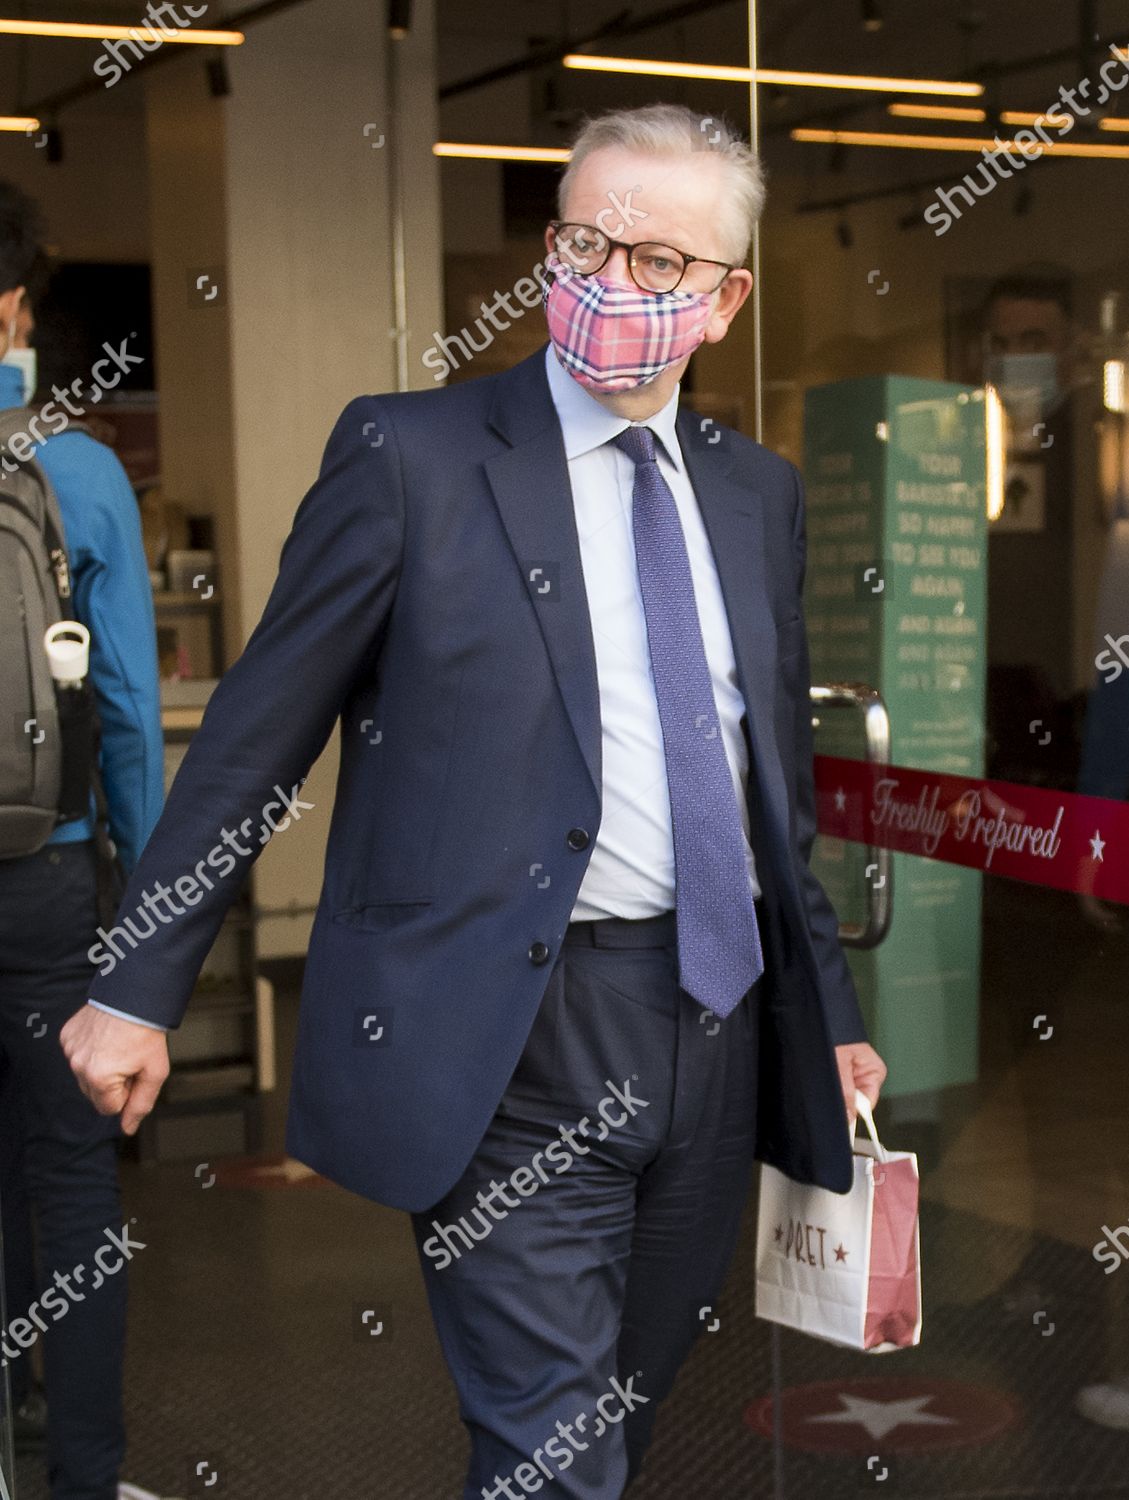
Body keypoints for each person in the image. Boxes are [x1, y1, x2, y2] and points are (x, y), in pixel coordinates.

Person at [61, 105, 886, 1497]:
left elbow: (764, 786)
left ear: (728, 301)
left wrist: (837, 1021)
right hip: (509, 1024)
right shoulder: (412, 458)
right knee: (554, 1450)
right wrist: (139, 986)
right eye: (585, 240)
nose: (611, 282)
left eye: (660, 263)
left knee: (618, 1410)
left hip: (716, 1018)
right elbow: (254, 736)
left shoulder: (758, 494)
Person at [0, 181, 166, 1500]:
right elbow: (122, 711)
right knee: (72, 1190)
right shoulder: (83, 469)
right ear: (15, 306)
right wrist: (154, 909)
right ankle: (84, 1478)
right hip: (50, 881)